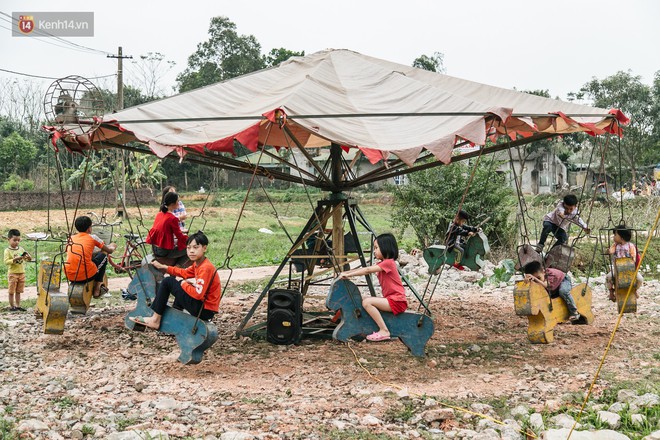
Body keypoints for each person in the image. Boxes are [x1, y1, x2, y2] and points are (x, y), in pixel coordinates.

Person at [129, 231, 221, 330]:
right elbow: (184, 273)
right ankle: (176, 317)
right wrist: (163, 267)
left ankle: (155, 320)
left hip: (204, 310)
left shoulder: (205, 268)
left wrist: (183, 282)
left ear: (204, 248)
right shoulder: (198, 263)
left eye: (196, 247)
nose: (191, 251)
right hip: (205, 308)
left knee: (168, 281)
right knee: (177, 283)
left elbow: (198, 294)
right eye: (188, 248)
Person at [337, 233, 408, 342]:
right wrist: (345, 273)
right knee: (363, 300)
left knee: (367, 302)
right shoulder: (384, 263)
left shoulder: (388, 263)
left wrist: (348, 274)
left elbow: (367, 270)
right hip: (392, 299)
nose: (374, 251)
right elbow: (367, 269)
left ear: (385, 248)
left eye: (376, 248)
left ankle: (384, 330)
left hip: (397, 301)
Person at [65, 216, 118, 298]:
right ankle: (97, 288)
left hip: (70, 275)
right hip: (86, 274)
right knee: (104, 255)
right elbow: (108, 251)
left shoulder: (70, 239)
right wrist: (113, 245)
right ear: (89, 228)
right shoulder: (93, 238)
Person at [147, 191, 188, 261]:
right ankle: (177, 267)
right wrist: (189, 240)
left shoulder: (159, 214)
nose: (179, 202)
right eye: (177, 201)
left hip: (154, 248)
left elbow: (165, 230)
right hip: (164, 251)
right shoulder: (172, 218)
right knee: (190, 249)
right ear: (173, 204)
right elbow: (180, 236)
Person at [606, 226, 643, 301]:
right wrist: (608, 251)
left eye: (615, 235)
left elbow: (634, 256)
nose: (614, 237)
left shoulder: (630, 246)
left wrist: (631, 260)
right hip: (617, 269)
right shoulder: (615, 245)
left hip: (629, 269)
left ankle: (634, 290)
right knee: (608, 277)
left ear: (621, 237)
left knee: (639, 279)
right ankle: (611, 291)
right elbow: (611, 251)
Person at [4, 229, 31, 311]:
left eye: (18, 240)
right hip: (13, 273)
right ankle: (12, 306)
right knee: (11, 291)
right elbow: (6, 262)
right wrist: (15, 259)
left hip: (21, 273)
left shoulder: (21, 249)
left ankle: (18, 305)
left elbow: (27, 259)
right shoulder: (7, 251)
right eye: (14, 240)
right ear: (9, 240)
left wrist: (29, 257)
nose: (17, 242)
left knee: (19, 291)